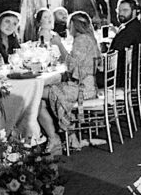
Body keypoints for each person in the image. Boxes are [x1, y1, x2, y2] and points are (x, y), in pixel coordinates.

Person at [43, 12, 101, 148]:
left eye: (69, 26)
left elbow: (72, 66)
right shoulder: (89, 38)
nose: (68, 29)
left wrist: (59, 45)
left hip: (82, 89)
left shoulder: (81, 40)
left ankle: (59, 137)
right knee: (41, 98)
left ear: (74, 25)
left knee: (38, 93)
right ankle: (69, 137)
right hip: (89, 85)